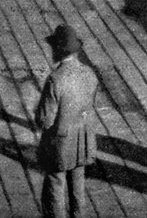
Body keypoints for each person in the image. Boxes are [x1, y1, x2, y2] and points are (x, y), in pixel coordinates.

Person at [34, 23, 99, 218]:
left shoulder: (56, 79)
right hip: (82, 141)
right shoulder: (89, 73)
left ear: (58, 50)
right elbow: (91, 103)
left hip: (60, 144)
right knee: (78, 188)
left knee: (54, 188)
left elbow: (45, 120)